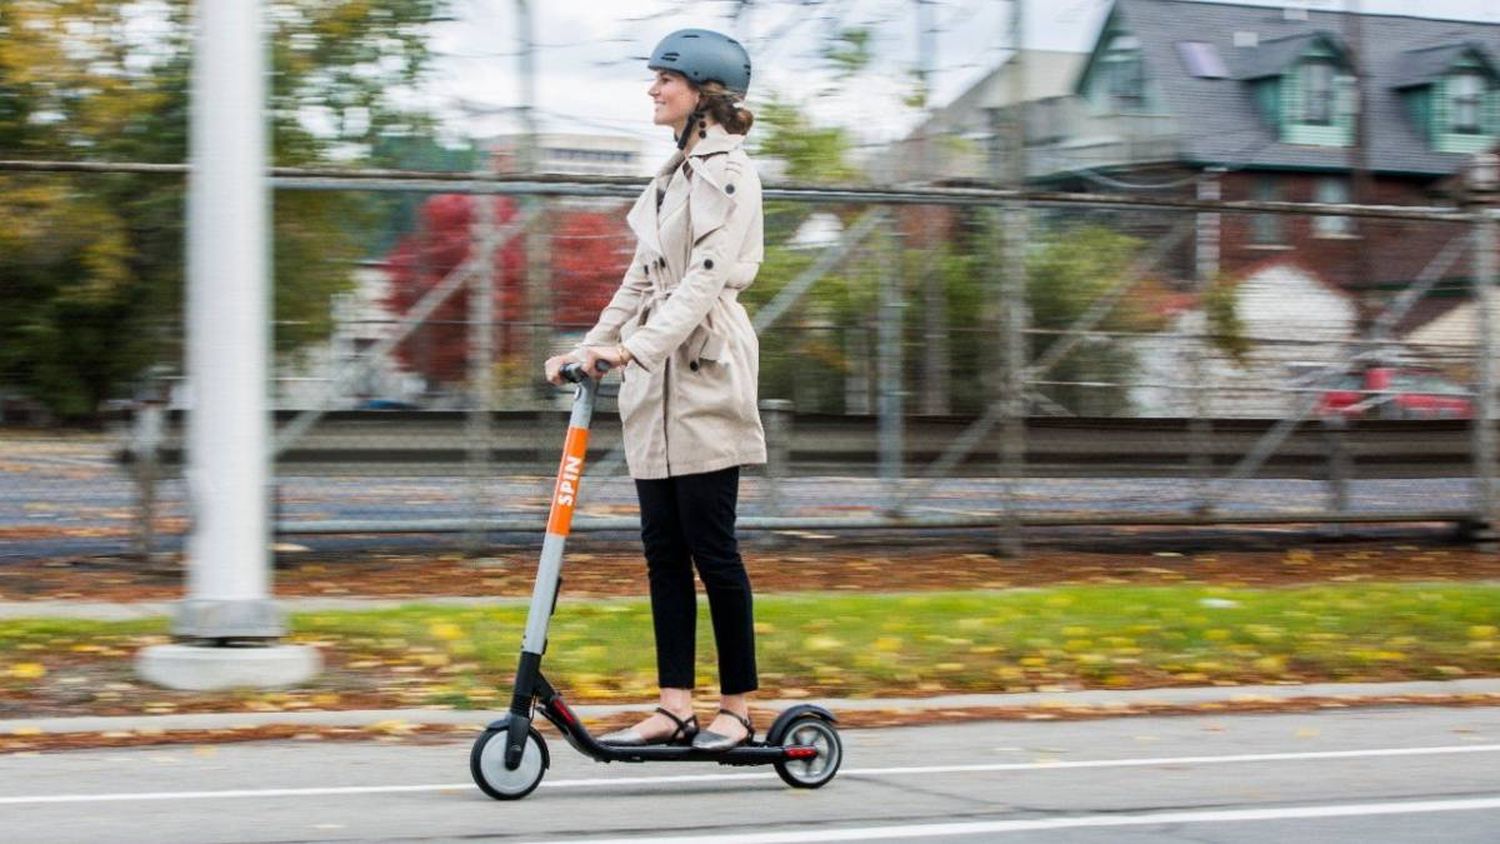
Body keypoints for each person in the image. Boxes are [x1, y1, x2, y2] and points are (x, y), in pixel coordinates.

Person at [544, 28, 766, 752]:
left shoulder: (729, 174)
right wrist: (589, 348)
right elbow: (641, 280)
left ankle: (735, 706)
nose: (652, 89)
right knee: (662, 551)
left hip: (702, 367)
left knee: (713, 549)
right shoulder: (670, 176)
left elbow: (702, 282)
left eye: (664, 78)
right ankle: (675, 704)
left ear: (702, 92)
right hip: (656, 377)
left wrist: (630, 349)